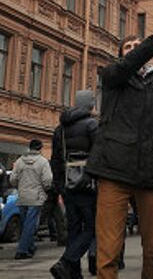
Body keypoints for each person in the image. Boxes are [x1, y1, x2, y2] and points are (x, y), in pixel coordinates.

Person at [85, 25, 153, 279]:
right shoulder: (113, 77)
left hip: (150, 174)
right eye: (129, 47)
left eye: (137, 46)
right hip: (113, 172)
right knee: (108, 252)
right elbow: (124, 67)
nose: (134, 50)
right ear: (122, 55)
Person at [50, 90, 99, 279]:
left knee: (74, 228)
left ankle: (74, 273)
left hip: (68, 186)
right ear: (89, 105)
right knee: (92, 227)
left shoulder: (60, 129)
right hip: (88, 186)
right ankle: (67, 261)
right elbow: (98, 155)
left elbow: (55, 160)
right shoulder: (92, 125)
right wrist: (90, 177)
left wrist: (59, 185)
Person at [11, 139, 53, 260]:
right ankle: (22, 250)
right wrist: (46, 189)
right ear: (40, 148)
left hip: (22, 196)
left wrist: (19, 187)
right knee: (30, 224)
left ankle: (30, 247)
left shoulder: (19, 161)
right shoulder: (43, 162)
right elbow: (47, 181)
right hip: (36, 196)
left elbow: (13, 179)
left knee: (26, 223)